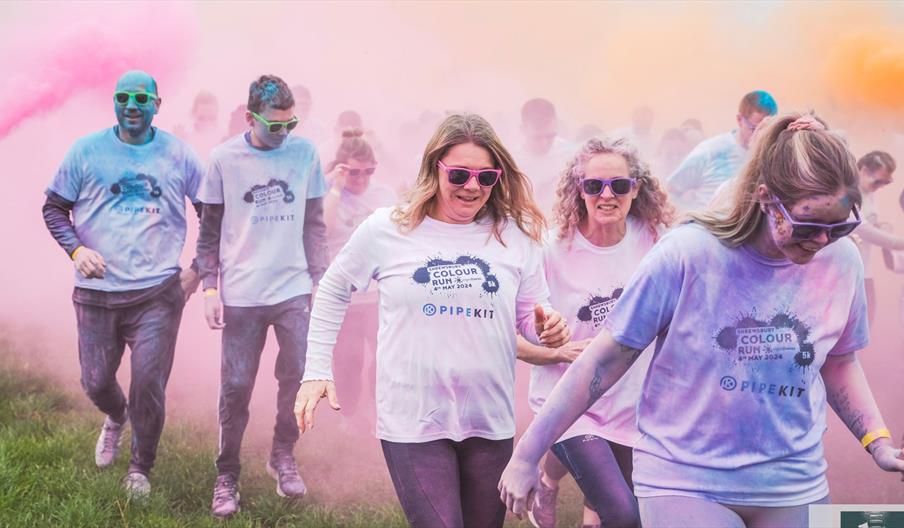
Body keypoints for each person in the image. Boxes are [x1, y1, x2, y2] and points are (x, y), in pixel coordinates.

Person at [500, 113, 904, 528]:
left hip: (794, 481)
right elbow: (603, 360)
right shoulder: (687, 254)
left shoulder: (842, 261)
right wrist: (526, 455)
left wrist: (877, 441)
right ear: (766, 198)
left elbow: (838, 361)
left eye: (838, 227)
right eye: (808, 224)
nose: (822, 241)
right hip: (686, 478)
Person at [296, 113, 571, 528]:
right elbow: (334, 288)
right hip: (413, 419)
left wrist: (549, 327)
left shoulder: (516, 234)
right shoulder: (389, 228)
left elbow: (531, 314)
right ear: (434, 169)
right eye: (459, 174)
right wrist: (317, 367)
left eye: (486, 176)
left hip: (488, 418)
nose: (472, 186)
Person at [41, 70, 203, 497]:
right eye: (123, 97)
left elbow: (213, 213)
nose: (132, 105)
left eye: (141, 98)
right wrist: (77, 251)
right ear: (115, 102)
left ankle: (139, 469)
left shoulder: (179, 155)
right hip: (96, 294)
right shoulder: (86, 150)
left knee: (148, 384)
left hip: (158, 294)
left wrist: (199, 269)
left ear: (157, 105)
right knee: (95, 381)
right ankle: (115, 417)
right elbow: (54, 209)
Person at [517, 137, 673, 528]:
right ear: (578, 189)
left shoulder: (656, 241)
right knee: (623, 515)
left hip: (632, 406)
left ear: (635, 189)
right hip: (569, 405)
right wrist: (552, 345)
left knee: (617, 513)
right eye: (594, 186)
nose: (607, 195)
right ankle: (549, 479)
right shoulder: (550, 251)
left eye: (619, 185)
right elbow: (517, 334)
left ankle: (550, 482)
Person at [195, 75, 328, 518]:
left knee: (297, 376)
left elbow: (314, 223)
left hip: (292, 289)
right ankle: (227, 474)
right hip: (242, 293)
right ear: (250, 117)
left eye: (291, 124)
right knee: (235, 387)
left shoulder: (305, 153)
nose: (284, 133)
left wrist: (319, 281)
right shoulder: (223, 159)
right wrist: (210, 287)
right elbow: (208, 232)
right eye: (275, 126)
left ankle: (282, 453)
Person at [322, 128, 397, 430]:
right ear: (341, 168)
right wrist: (338, 189)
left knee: (385, 357)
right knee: (347, 361)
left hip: (379, 293)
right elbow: (323, 231)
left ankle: (378, 409)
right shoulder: (327, 191)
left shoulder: (383, 194)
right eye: (354, 172)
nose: (363, 178)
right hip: (344, 293)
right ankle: (350, 415)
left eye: (369, 171)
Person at [667, 90, 778, 213]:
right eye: (754, 128)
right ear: (739, 119)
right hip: (709, 227)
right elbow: (671, 189)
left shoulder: (773, 157)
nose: (761, 135)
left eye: (767, 130)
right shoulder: (711, 150)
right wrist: (691, 216)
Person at [850, 151, 902, 323]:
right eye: (879, 181)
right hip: (850, 270)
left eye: (886, 182)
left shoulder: (869, 193)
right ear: (864, 170)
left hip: (865, 269)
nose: (880, 186)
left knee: (867, 322)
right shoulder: (846, 195)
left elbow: (867, 223)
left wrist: (879, 227)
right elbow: (858, 225)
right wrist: (896, 243)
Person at [513, 98, 576, 214]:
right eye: (537, 137)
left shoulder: (571, 153)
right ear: (522, 130)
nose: (544, 144)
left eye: (550, 136)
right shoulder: (512, 161)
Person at [173, 90, 221, 161]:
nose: (207, 124)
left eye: (212, 118)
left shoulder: (226, 140)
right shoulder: (184, 140)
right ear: (193, 114)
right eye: (201, 118)